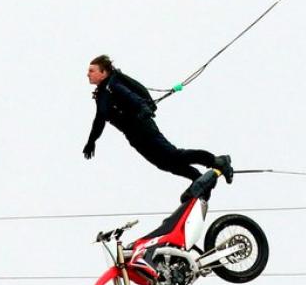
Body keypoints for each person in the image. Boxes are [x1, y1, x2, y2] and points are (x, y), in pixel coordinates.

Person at [83, 55, 233, 196]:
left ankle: (218, 161)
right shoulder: (102, 95)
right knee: (164, 163)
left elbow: (131, 97)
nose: (88, 74)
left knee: (173, 155)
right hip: (134, 136)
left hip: (143, 127)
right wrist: (91, 141)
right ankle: (198, 179)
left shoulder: (113, 85)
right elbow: (99, 120)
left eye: (92, 70)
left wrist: (144, 109)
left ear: (103, 72)